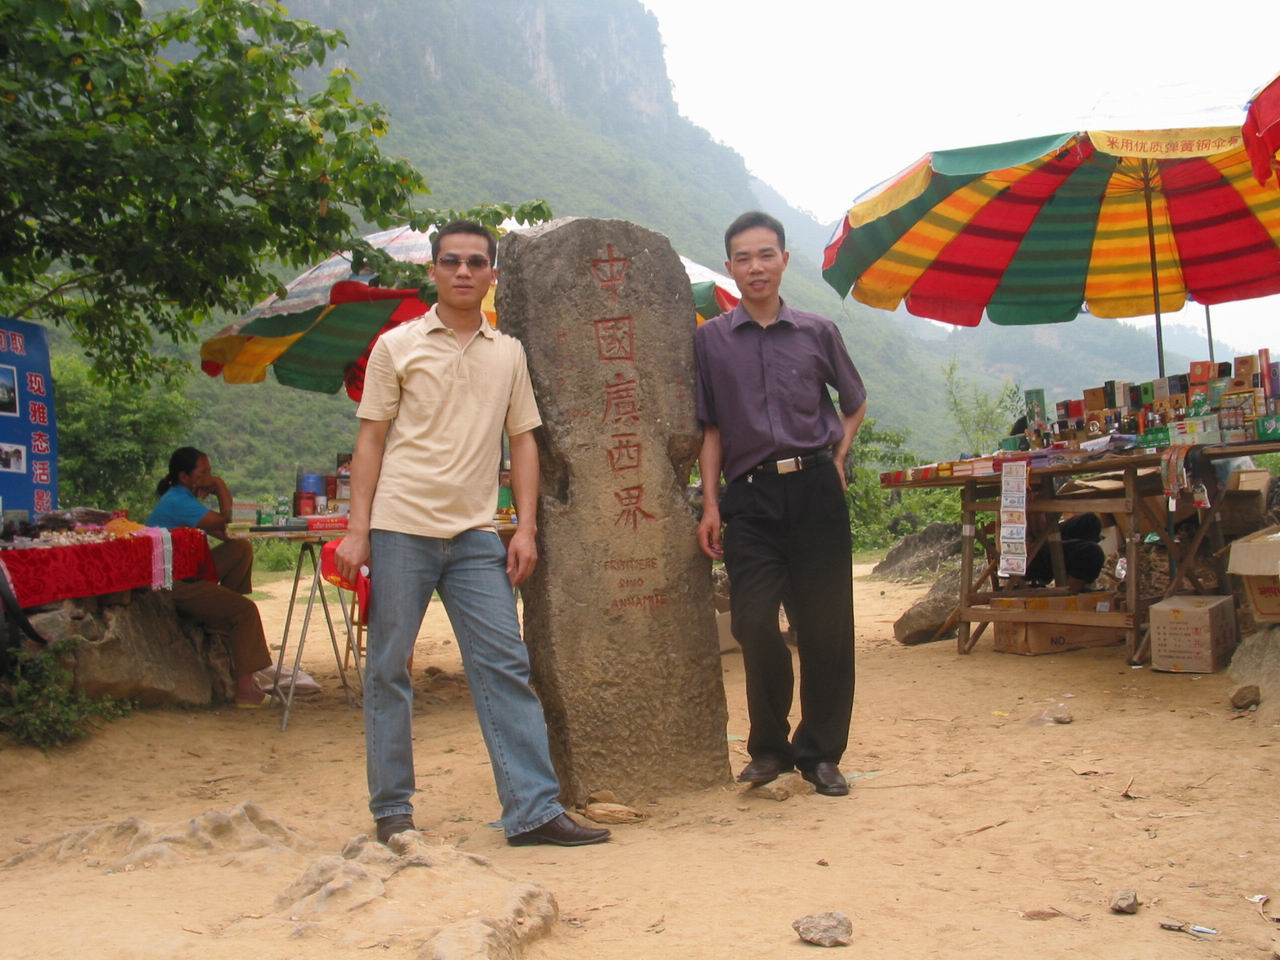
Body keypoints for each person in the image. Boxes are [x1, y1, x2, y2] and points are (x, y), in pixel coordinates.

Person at [335, 219, 610, 848]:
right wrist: (357, 529)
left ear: (492, 275)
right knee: (388, 669)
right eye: (452, 261)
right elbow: (370, 439)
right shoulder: (396, 346)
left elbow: (523, 441)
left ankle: (533, 811)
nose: (463, 271)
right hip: (400, 527)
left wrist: (525, 527)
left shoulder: (507, 353)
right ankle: (393, 810)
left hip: (475, 535)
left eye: (476, 262)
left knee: (504, 666)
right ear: (432, 269)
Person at [694, 211, 867, 797]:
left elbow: (854, 401)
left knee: (825, 627)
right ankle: (769, 747)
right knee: (752, 620)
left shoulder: (817, 331)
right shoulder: (711, 341)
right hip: (749, 497)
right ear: (730, 267)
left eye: (766, 254)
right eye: (743, 258)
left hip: (816, 489)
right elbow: (711, 428)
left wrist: (838, 458)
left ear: (784, 260)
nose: (756, 267)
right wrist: (710, 503)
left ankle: (820, 753)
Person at [148, 447, 273, 707]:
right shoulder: (178, 501)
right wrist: (219, 485)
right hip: (174, 584)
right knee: (246, 611)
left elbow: (229, 533)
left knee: (241, 548)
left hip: (187, 572)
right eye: (203, 473)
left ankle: (223, 620)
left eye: (210, 473)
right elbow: (225, 519)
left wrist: (216, 492)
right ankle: (245, 691)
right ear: (185, 477)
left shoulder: (185, 498)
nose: (208, 477)